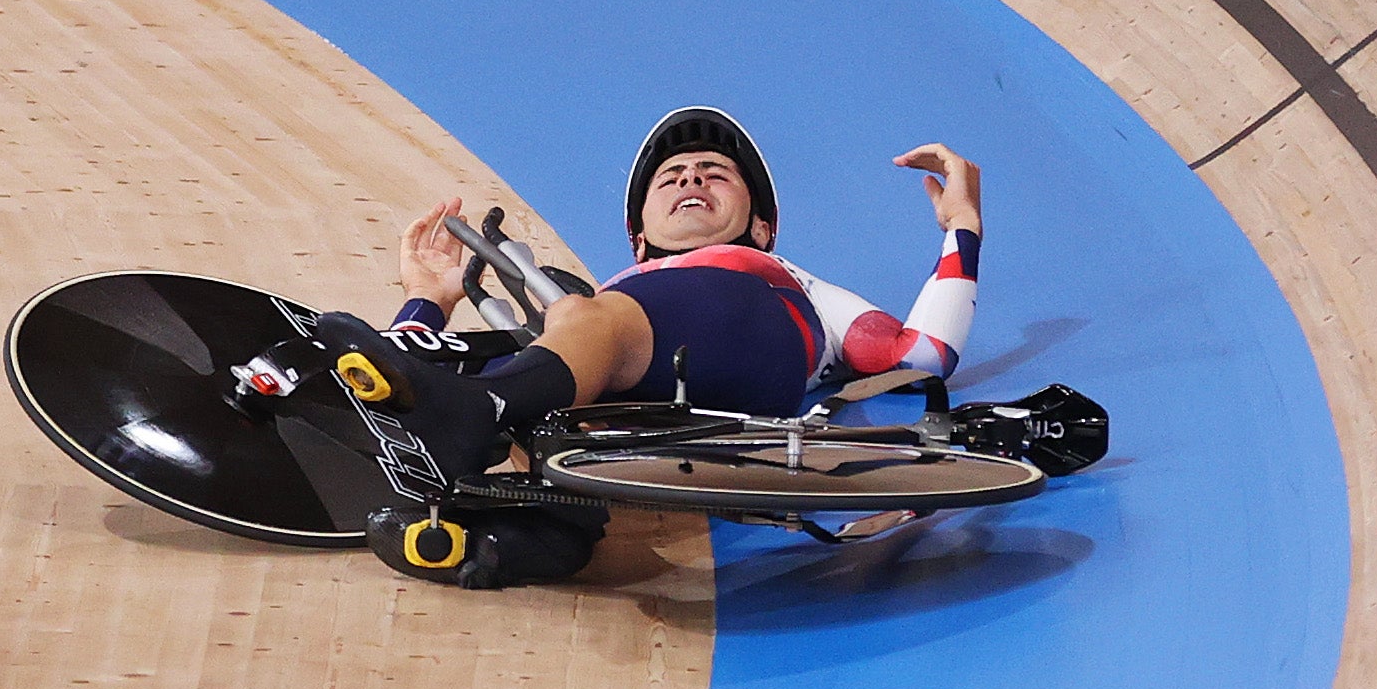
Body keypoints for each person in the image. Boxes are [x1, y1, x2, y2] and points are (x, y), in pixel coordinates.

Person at [288, 105, 983, 507]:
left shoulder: (788, 276)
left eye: (715, 174)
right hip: (629, 381)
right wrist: (428, 303)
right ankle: (526, 528)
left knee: (585, 319)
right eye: (674, 176)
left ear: (763, 228)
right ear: (640, 235)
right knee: (535, 343)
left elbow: (919, 354)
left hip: (751, 343)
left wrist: (962, 226)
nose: (692, 178)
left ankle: (479, 413)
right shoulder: (606, 306)